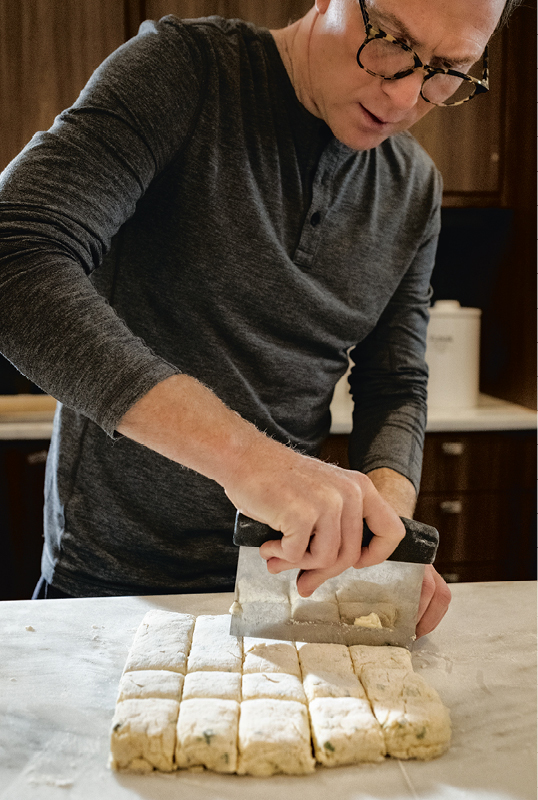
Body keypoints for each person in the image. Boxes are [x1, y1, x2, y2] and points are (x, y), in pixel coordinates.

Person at [0, 0, 512, 635]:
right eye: (389, 40)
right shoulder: (185, 73)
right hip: (109, 586)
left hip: (284, 586)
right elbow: (14, 254)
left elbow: (395, 383)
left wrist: (382, 531)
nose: (406, 96)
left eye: (447, 70)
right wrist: (252, 463)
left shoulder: (415, 187)